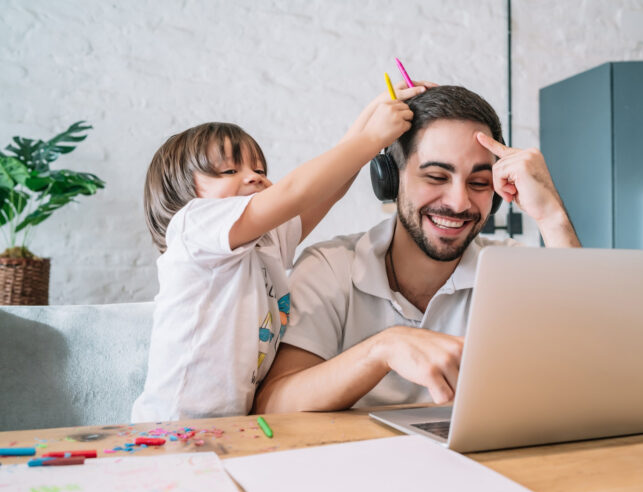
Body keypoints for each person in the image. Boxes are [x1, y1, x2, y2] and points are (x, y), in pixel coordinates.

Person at [253, 85, 580, 413]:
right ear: (390, 181)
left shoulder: (507, 268)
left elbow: (588, 362)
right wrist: (383, 349)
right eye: (436, 176)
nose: (459, 202)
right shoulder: (329, 267)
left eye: (479, 183)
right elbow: (273, 405)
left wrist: (551, 215)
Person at [131, 82, 428, 422]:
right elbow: (295, 191)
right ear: (179, 190)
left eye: (260, 170)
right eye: (230, 171)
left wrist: (375, 111)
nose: (254, 178)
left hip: (231, 427)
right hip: (169, 424)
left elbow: (325, 191)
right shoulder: (193, 228)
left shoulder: (264, 244)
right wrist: (373, 138)